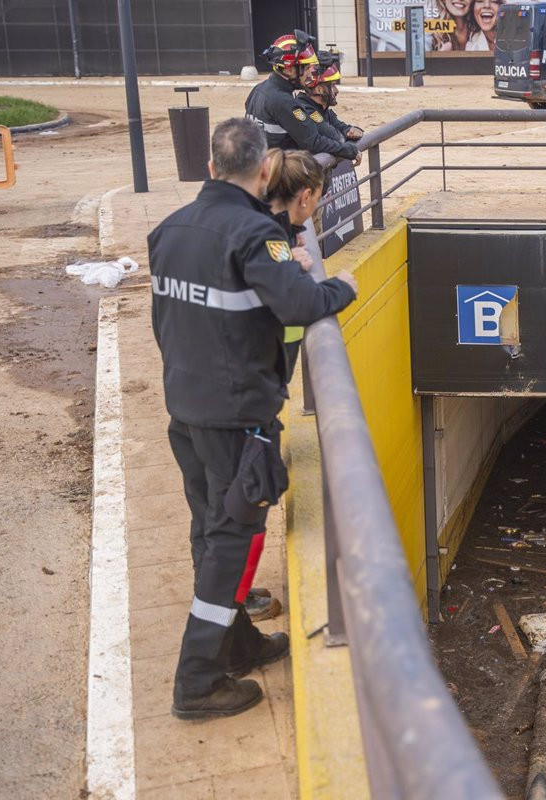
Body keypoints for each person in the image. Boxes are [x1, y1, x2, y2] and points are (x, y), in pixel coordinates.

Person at [149, 118, 357, 719]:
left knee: (209, 529)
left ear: (211, 167)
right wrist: (337, 286)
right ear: (265, 169)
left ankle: (238, 646)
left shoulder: (171, 228)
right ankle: (197, 682)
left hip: (186, 411)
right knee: (231, 544)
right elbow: (299, 304)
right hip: (237, 417)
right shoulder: (253, 235)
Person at [262, 147, 326, 383]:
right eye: (317, 200)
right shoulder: (268, 233)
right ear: (305, 197)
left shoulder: (267, 220)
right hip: (268, 349)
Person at [245, 31, 358, 162]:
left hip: (262, 171)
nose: (310, 73)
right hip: (283, 176)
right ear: (288, 70)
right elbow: (313, 142)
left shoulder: (257, 90)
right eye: (305, 68)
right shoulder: (285, 102)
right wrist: (350, 150)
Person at [297, 51, 363, 146]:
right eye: (332, 86)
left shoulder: (322, 109)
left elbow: (341, 127)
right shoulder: (307, 110)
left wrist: (349, 130)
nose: (336, 91)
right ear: (318, 89)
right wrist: (347, 134)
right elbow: (336, 138)